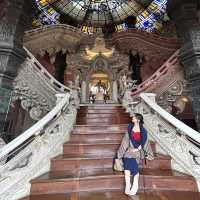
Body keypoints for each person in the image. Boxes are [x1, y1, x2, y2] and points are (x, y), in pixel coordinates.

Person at [116, 113, 154, 196]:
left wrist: (137, 149)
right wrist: (120, 153)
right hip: (129, 150)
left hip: (138, 151)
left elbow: (144, 143)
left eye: (134, 117)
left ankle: (135, 185)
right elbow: (125, 141)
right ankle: (128, 185)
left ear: (138, 120)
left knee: (133, 165)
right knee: (126, 162)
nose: (132, 118)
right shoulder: (130, 127)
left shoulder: (143, 131)